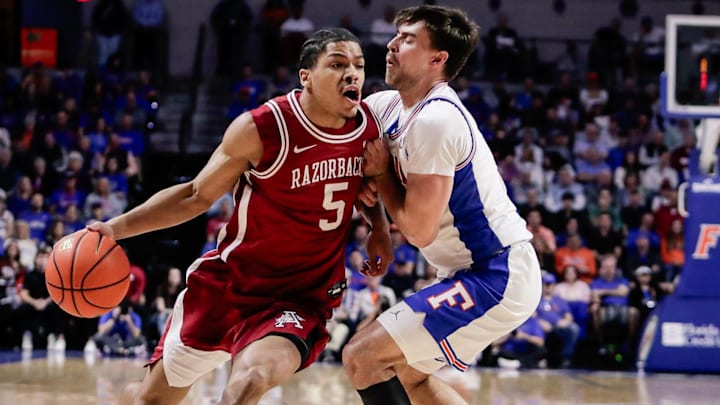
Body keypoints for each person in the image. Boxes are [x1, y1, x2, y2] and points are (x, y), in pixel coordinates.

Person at [88, 28, 392, 404]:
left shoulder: (370, 128)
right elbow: (195, 195)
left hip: (298, 298)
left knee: (249, 382)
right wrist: (114, 228)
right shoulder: (264, 128)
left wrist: (379, 227)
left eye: (359, 66)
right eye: (338, 64)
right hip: (227, 287)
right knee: (150, 400)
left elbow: (371, 184)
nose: (353, 74)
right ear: (306, 77)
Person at [342, 6, 541, 405]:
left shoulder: (437, 120)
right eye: (396, 35)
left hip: (496, 272)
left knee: (362, 356)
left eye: (408, 39)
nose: (393, 44)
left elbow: (418, 230)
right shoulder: (386, 107)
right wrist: (378, 227)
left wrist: (380, 178)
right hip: (466, 271)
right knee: (405, 376)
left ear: (438, 59)